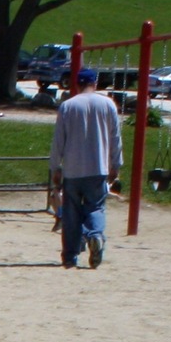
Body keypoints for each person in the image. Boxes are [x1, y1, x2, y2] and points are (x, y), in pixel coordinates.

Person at [50, 67, 122, 269]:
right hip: (98, 166)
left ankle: (70, 255)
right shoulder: (108, 104)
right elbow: (115, 137)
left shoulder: (67, 106)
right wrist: (116, 163)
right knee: (96, 206)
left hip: (73, 168)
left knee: (71, 212)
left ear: (77, 84)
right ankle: (96, 235)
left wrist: (55, 166)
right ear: (95, 84)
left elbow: (59, 139)